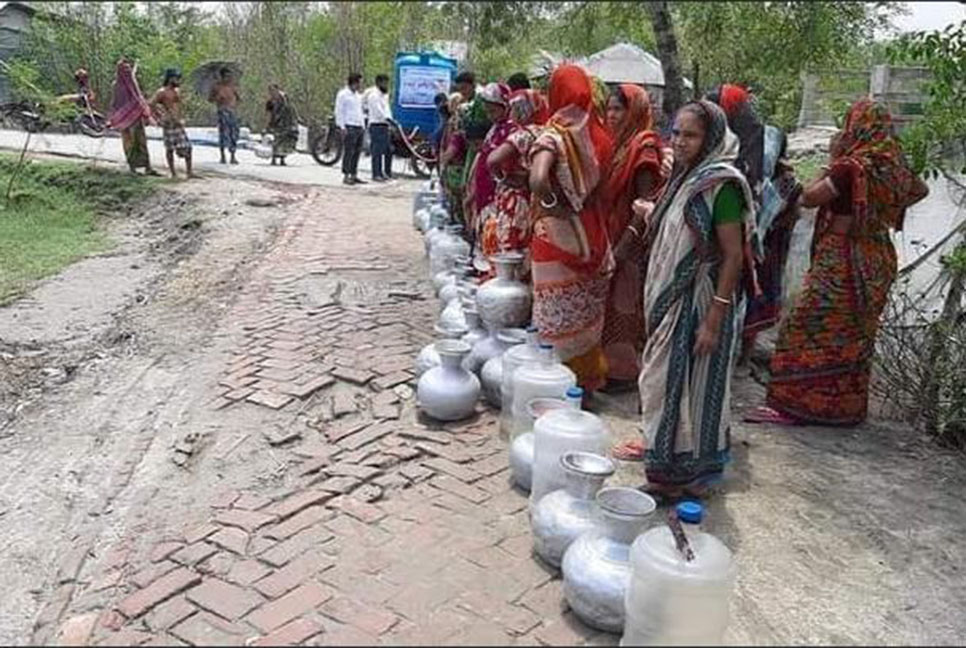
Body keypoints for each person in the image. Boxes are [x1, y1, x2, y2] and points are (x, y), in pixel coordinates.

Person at [748, 99, 929, 427]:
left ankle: (798, 405)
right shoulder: (895, 165)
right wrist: (881, 209)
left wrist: (832, 161)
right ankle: (844, 408)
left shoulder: (850, 167)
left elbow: (810, 198)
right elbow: (921, 190)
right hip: (877, 257)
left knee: (807, 326)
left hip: (842, 257)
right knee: (855, 333)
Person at [623, 100, 758, 502]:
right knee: (664, 384)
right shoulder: (685, 179)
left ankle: (691, 473)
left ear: (711, 138)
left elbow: (733, 255)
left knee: (693, 391)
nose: (679, 142)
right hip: (673, 300)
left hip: (700, 302)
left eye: (691, 135)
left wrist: (714, 319)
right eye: (676, 133)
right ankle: (666, 471)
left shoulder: (721, 185)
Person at [528, 64, 615, 397]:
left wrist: (554, 203)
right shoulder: (601, 134)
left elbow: (537, 179)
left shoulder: (555, 133)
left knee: (553, 311)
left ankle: (552, 385)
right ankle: (585, 386)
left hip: (557, 232)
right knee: (587, 312)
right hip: (593, 232)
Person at [706, 84, 802, 364]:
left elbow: (773, 179)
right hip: (739, 224)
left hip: (755, 228)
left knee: (742, 286)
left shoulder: (765, 139)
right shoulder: (724, 138)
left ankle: (735, 354)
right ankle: (727, 351)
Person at [598, 85, 669, 392]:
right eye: (609, 109)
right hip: (611, 236)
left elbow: (646, 203)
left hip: (632, 241)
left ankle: (623, 372)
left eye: (618, 109)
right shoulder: (618, 144)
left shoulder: (645, 148)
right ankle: (607, 367)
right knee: (608, 303)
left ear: (634, 111)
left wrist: (625, 245)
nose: (611, 115)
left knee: (623, 304)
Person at [483, 88, 550, 269]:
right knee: (527, 243)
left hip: (515, 197)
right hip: (535, 199)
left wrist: (502, 177)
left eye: (514, 109)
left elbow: (492, 160)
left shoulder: (523, 134)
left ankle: (507, 284)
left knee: (509, 243)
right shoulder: (548, 132)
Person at [470, 82, 515, 261]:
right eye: (488, 111)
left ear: (505, 107)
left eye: (494, 111)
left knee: (493, 237)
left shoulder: (511, 131)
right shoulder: (494, 129)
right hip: (483, 192)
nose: (491, 115)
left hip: (496, 195)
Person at [107, 58, 158, 176]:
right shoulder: (116, 85)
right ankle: (132, 168)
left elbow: (138, 97)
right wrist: (112, 118)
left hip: (136, 117)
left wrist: (145, 113)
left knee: (141, 142)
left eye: (129, 69)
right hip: (124, 120)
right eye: (125, 70)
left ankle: (148, 167)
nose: (127, 72)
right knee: (129, 143)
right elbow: (115, 102)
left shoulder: (133, 83)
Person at [149, 68, 195, 179]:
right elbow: (151, 104)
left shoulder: (177, 91)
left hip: (177, 123)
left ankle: (189, 172)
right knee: (169, 148)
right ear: (170, 79)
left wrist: (181, 117)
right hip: (168, 123)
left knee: (187, 147)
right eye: (176, 78)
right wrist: (159, 117)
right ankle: (173, 172)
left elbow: (179, 107)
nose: (178, 80)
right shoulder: (162, 92)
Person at [335, 73, 366, 185]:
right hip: (349, 125)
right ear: (354, 82)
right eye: (359, 83)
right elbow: (339, 111)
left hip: (359, 126)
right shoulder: (343, 94)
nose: (360, 85)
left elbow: (360, 111)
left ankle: (354, 174)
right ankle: (346, 174)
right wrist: (342, 126)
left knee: (357, 152)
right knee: (349, 152)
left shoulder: (358, 96)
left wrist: (363, 125)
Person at [365, 74, 393, 181]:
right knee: (377, 151)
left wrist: (390, 120)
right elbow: (378, 111)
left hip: (385, 125)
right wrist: (387, 118)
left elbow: (387, 109)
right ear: (378, 83)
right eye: (384, 82)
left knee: (388, 150)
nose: (386, 84)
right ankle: (376, 174)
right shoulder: (373, 96)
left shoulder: (384, 95)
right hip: (376, 125)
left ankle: (386, 172)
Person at [209, 67, 241, 165]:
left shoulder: (233, 87)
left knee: (234, 133)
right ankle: (223, 156)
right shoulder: (217, 87)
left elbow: (238, 98)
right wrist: (218, 98)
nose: (229, 78)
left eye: (230, 76)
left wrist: (235, 101)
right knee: (223, 133)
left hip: (232, 111)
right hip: (222, 111)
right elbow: (210, 99)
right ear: (222, 77)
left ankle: (233, 155)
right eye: (226, 76)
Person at [264, 84, 299, 166]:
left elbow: (292, 109)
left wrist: (296, 119)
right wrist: (267, 125)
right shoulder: (270, 101)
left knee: (285, 141)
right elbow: (268, 114)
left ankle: (282, 159)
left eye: (273, 90)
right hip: (276, 123)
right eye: (270, 91)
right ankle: (274, 158)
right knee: (276, 141)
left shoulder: (284, 99)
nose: (272, 93)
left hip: (286, 123)